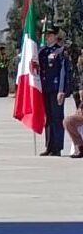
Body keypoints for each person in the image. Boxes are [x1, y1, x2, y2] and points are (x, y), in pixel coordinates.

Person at [39, 23, 69, 156]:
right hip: (45, 88)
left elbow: (63, 71)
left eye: (50, 35)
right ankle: (49, 146)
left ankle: (57, 147)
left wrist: (61, 90)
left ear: (56, 36)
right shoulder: (43, 51)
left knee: (57, 118)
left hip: (56, 89)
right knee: (48, 118)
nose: (48, 37)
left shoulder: (60, 51)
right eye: (47, 35)